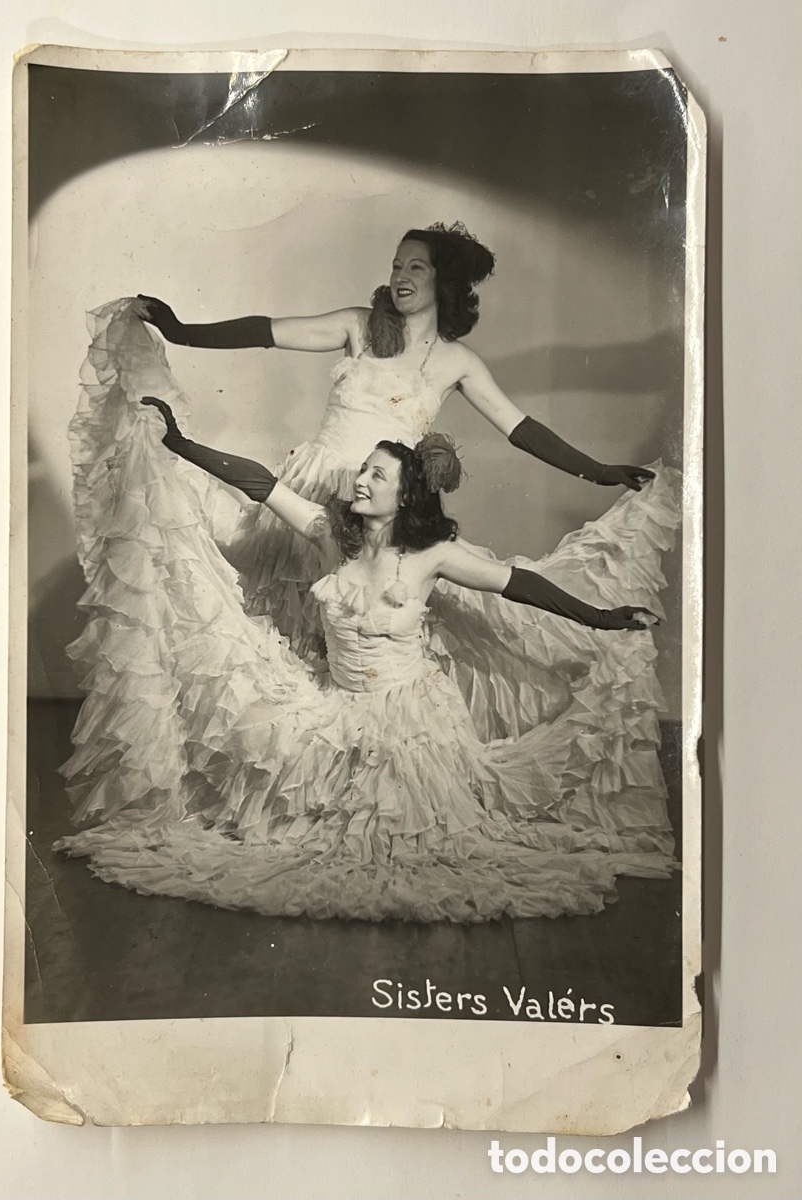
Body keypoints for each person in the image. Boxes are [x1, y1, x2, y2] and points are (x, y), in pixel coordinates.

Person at [57, 394, 675, 923]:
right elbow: (260, 484)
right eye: (364, 471)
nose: (361, 480)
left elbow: (517, 585)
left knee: (406, 840)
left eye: (377, 475)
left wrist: (601, 617)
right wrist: (181, 442)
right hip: (337, 705)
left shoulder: (433, 555)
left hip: (411, 721)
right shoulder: (330, 533)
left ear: (405, 495)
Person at [133, 222, 661, 749]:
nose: (401, 275)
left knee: (381, 627)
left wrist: (599, 471)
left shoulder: (458, 362)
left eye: (417, 266)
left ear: (444, 282)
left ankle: (366, 757)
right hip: (313, 494)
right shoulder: (358, 326)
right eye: (396, 264)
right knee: (286, 629)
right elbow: (267, 330)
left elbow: (519, 429)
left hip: (384, 504)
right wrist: (182, 332)